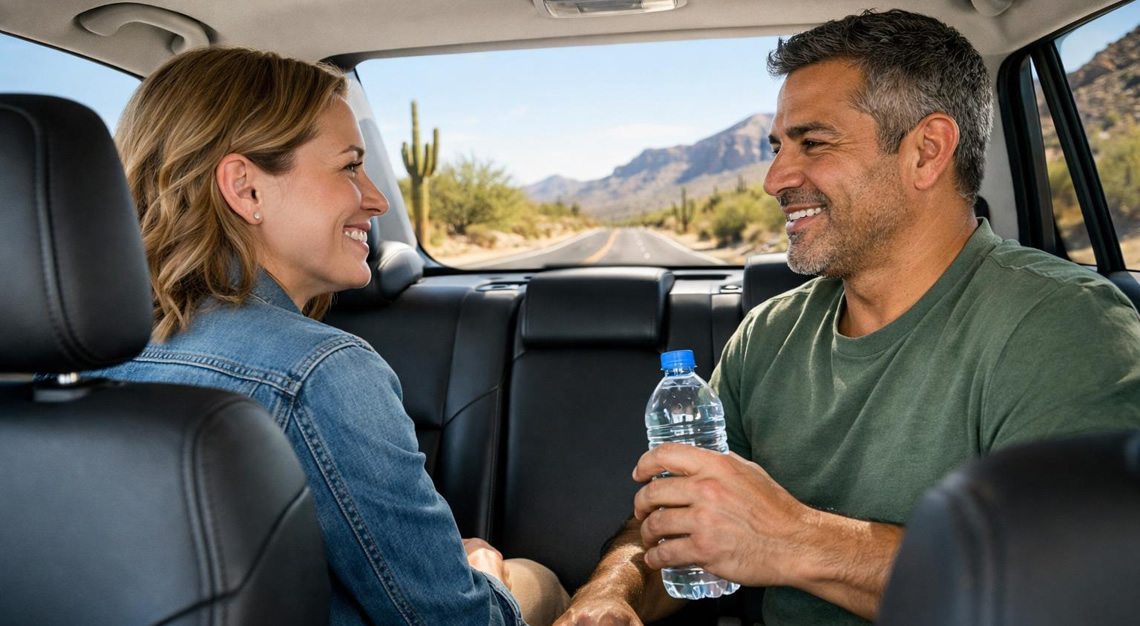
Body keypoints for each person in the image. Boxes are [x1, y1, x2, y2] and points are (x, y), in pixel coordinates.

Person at [555, 9, 1140, 626]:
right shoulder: (769, 333)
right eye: (778, 147)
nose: (774, 178)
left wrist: (793, 538)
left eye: (814, 143)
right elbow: (678, 528)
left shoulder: (1066, 327)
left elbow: (1075, 591)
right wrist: (611, 595)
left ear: (926, 151)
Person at [90, 46, 569, 625]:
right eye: (349, 166)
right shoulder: (320, 372)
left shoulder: (65, 365)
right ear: (246, 189)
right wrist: (501, 578)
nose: (377, 197)